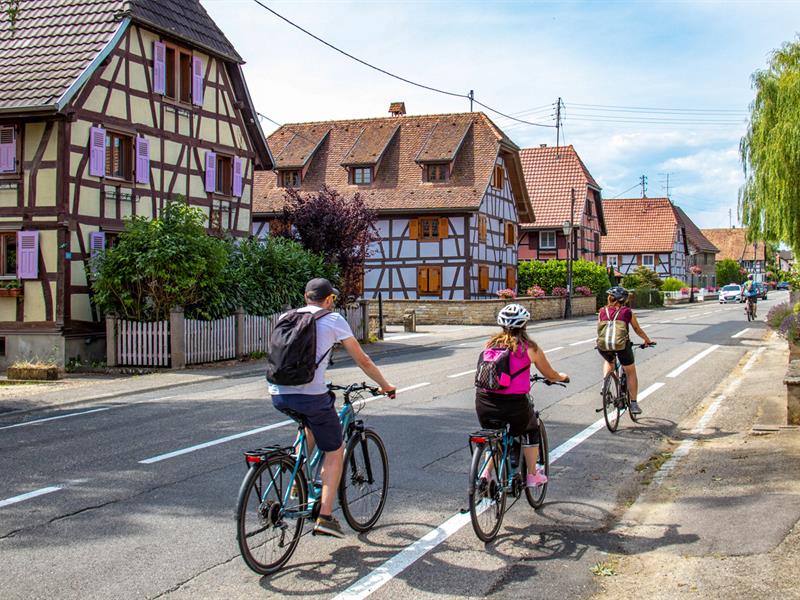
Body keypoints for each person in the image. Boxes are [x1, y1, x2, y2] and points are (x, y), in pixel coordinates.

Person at [269, 278, 396, 538]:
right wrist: (385, 384)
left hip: (278, 393)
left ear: (306, 297)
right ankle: (325, 516)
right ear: (329, 300)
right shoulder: (333, 320)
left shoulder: (286, 316)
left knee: (309, 426)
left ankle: (296, 479)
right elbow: (363, 359)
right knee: (335, 450)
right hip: (311, 396)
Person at [475, 303, 569, 488]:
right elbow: (550, 374)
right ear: (524, 325)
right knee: (531, 428)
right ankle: (533, 474)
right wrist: (562, 377)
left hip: (484, 403)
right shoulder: (529, 348)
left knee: (494, 437)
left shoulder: (490, 345)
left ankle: (485, 473)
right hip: (514, 405)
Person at [597, 287, 654, 415]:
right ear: (623, 300)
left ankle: (605, 385)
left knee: (609, 360)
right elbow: (637, 329)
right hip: (622, 346)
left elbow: (600, 329)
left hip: (604, 345)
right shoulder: (627, 312)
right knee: (630, 372)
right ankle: (633, 403)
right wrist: (647, 340)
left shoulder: (602, 311)